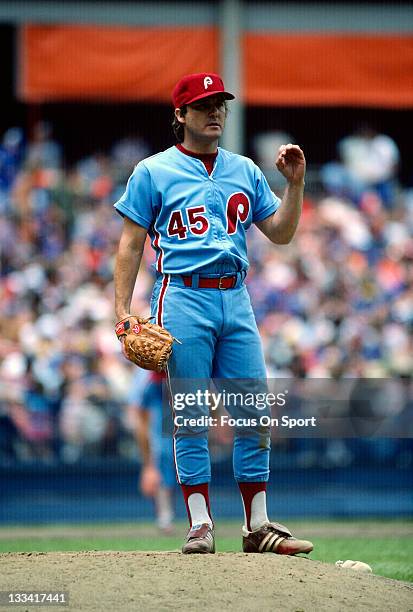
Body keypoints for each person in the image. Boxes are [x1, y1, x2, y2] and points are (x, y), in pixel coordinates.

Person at [114, 72, 313, 555]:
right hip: (182, 296)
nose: (215, 112)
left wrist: (295, 185)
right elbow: (130, 243)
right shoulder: (152, 170)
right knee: (190, 414)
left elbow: (281, 234)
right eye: (203, 105)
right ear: (180, 115)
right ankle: (199, 523)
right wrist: (122, 312)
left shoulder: (244, 168)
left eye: (220, 103)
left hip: (236, 296)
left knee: (254, 412)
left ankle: (257, 526)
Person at [127, 369, 176, 533]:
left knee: (179, 454)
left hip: (180, 387)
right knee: (163, 454)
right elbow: (139, 416)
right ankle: (165, 514)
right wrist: (147, 464)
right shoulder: (148, 381)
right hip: (160, 392)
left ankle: (198, 515)